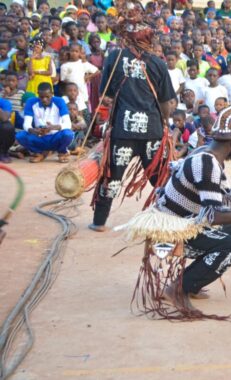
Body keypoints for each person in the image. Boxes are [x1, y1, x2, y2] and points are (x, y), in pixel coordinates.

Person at [123, 106, 231, 319]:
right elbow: (213, 216)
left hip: (182, 222)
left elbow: (227, 196)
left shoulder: (209, 156)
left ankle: (191, 284)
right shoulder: (207, 164)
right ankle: (177, 289)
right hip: (171, 231)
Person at [90, 1, 177, 232]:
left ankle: (99, 222)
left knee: (112, 177)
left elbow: (105, 95)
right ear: (147, 40)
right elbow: (166, 103)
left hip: (123, 131)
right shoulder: (158, 63)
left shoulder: (115, 57)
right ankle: (170, 219)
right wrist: (164, 122)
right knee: (160, 180)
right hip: (152, 131)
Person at [16, 83, 74, 163]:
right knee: (20, 136)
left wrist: (53, 127)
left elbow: (68, 124)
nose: (44, 99)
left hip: (55, 137)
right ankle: (39, 153)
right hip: (40, 137)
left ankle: (62, 152)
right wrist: (34, 131)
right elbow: (26, 124)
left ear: (52, 94)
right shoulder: (31, 102)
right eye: (41, 97)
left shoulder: (59, 101)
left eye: (47, 97)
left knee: (68, 134)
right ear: (38, 94)